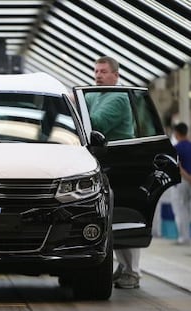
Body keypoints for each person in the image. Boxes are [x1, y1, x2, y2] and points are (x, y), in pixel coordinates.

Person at [87, 56, 140, 289]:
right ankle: (123, 267)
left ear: (115, 76)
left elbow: (95, 122)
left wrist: (72, 105)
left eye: (103, 71)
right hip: (105, 163)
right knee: (112, 216)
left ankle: (133, 272)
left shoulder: (119, 97)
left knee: (124, 216)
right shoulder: (93, 95)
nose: (98, 75)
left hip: (122, 163)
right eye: (96, 71)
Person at [170, 122, 191, 245]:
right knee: (188, 208)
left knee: (180, 208)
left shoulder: (176, 148)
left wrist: (186, 177)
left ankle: (183, 237)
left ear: (177, 133)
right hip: (190, 180)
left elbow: (177, 166)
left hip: (182, 181)